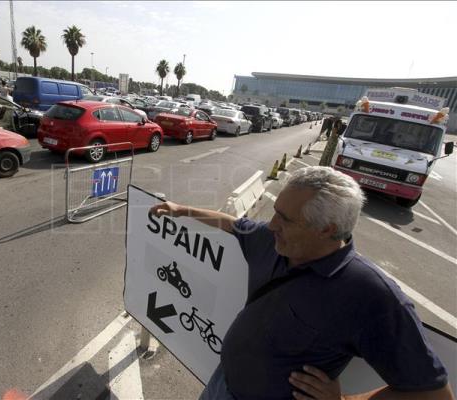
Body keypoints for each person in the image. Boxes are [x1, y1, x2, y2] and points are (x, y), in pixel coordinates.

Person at [149, 166, 452, 400]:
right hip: (220, 383)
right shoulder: (271, 241)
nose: (271, 224)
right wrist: (183, 210)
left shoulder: (369, 295)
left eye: (284, 218)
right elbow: (232, 224)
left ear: (326, 229)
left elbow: (434, 394)